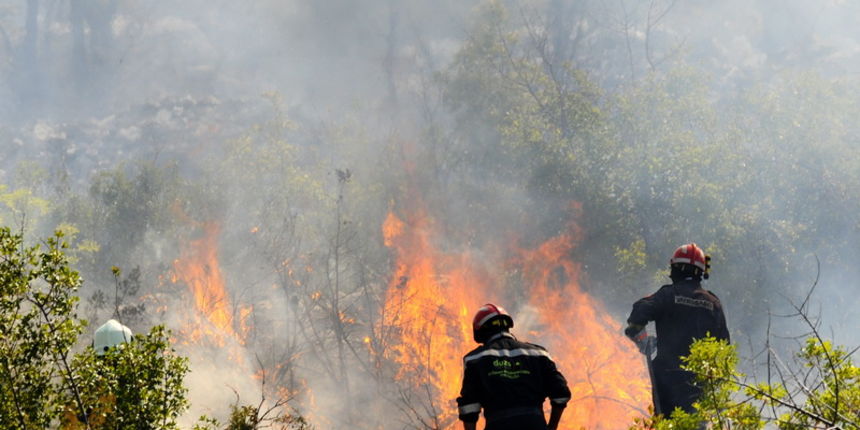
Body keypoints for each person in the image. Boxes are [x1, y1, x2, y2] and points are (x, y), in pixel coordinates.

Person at [624, 243, 730, 416]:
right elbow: (724, 348)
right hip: (700, 384)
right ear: (701, 272)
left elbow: (637, 316)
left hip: (667, 380)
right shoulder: (713, 303)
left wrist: (643, 340)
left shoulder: (667, 295)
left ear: (678, 268)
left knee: (666, 423)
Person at [457, 303, 571, 430]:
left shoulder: (475, 359)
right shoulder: (539, 354)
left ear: (479, 332)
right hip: (535, 424)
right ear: (508, 326)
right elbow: (561, 394)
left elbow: (469, 408)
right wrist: (552, 427)